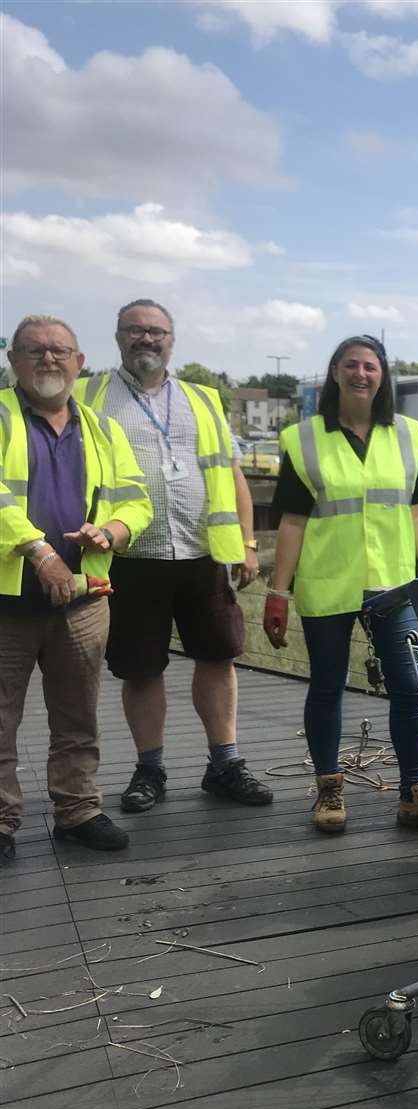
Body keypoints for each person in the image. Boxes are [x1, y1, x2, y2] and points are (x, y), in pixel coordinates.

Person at [74, 299, 272, 813]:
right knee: (140, 668)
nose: (147, 339)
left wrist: (248, 542)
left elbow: (231, 475)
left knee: (218, 655)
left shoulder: (202, 399)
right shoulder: (88, 396)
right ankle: (150, 768)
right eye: (136, 331)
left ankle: (224, 764)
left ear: (171, 339)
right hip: (129, 554)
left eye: (157, 332)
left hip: (203, 552)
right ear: (118, 337)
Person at [263, 335, 418, 836]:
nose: (360, 374)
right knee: (327, 687)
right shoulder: (304, 438)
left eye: (370, 366)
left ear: (382, 376)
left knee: (409, 689)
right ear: (335, 373)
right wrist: (277, 592)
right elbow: (292, 521)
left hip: (394, 585)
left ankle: (414, 792)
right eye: (350, 365)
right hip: (328, 582)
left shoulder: (407, 434)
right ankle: (329, 787)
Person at [0, 315, 153, 857]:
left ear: (79, 363)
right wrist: (39, 551)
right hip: (8, 599)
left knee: (78, 712)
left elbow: (137, 498)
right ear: (13, 359)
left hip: (83, 597)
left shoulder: (101, 428)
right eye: (35, 350)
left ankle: (78, 809)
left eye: (60, 351)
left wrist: (110, 530)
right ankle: (1, 820)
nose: (48, 360)